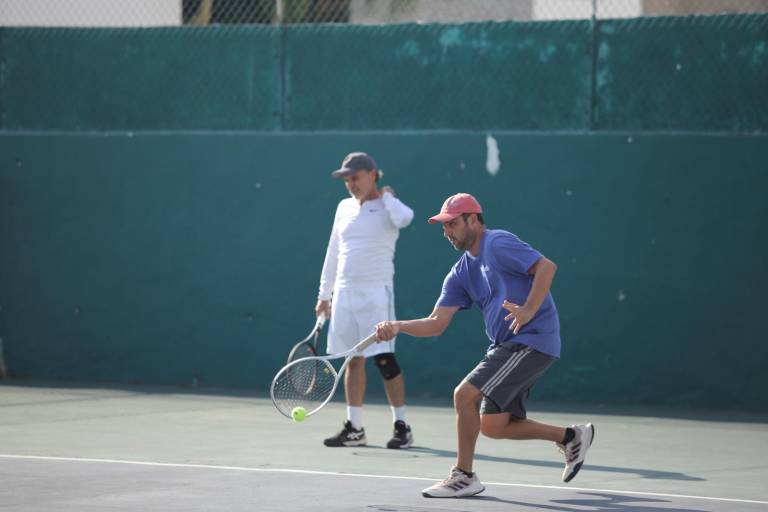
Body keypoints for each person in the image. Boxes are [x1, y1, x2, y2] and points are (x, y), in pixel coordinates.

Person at [374, 192, 594, 498]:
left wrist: (528, 309)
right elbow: (436, 323)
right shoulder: (460, 273)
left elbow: (546, 267)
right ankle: (570, 437)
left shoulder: (498, 243)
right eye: (444, 226)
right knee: (493, 425)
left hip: (531, 339)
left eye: (452, 223)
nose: (447, 231)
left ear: (473, 220)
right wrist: (398, 326)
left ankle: (463, 476)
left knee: (464, 395)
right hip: (506, 346)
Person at [316, 152, 415, 449]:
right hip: (344, 294)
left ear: (373, 175)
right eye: (346, 179)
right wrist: (324, 295)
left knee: (384, 360)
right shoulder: (343, 207)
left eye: (355, 178)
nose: (351, 184)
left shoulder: (389, 207)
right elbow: (333, 251)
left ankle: (402, 427)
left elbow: (406, 218)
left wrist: (388, 197)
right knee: (353, 360)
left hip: (376, 294)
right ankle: (355, 429)